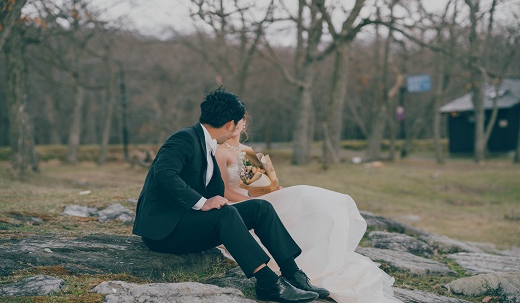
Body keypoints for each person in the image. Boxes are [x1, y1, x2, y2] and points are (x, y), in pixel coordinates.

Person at [133, 87, 328, 303]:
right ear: (229, 125)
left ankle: (292, 274)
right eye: (239, 122)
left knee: (260, 208)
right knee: (226, 214)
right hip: (166, 232)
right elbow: (164, 176)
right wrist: (202, 202)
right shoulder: (184, 139)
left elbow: (242, 187)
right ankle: (268, 283)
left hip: (190, 222)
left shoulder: (210, 144)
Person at [215, 116, 403, 303]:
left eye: (237, 119)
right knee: (302, 196)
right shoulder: (220, 151)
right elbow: (225, 191)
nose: (232, 124)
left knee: (314, 202)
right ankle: (293, 269)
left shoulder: (247, 151)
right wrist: (258, 201)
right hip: (236, 205)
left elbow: (256, 190)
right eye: (229, 120)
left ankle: (316, 258)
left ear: (244, 123)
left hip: (258, 203)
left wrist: (272, 190)